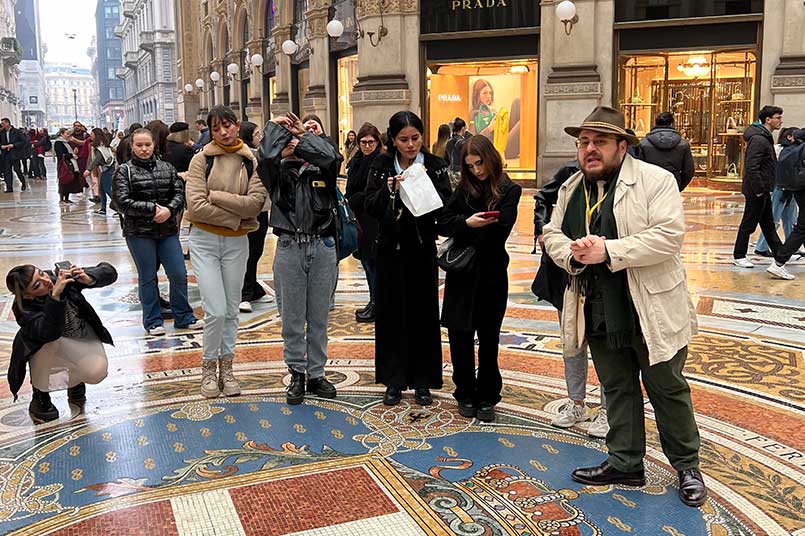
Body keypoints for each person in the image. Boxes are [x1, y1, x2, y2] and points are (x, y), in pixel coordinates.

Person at [543, 106, 706, 507]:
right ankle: (625, 461)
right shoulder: (571, 188)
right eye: (583, 142)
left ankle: (687, 466)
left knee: (667, 388)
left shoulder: (656, 181)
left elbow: (668, 236)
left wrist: (609, 251)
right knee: (616, 387)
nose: (589, 149)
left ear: (622, 146)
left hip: (650, 307)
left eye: (599, 142)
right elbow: (552, 233)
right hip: (599, 308)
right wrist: (574, 253)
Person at [365, 111, 452, 406]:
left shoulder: (435, 166)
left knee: (423, 314)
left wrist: (424, 188)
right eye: (404, 139)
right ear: (393, 139)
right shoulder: (381, 166)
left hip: (421, 249)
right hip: (390, 250)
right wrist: (389, 190)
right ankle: (394, 379)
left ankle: (422, 380)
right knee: (391, 313)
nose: (411, 145)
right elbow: (369, 204)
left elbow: (446, 206)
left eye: (415, 138)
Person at [258, 112, 340, 405]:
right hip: (289, 246)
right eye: (289, 139)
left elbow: (331, 156)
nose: (293, 143)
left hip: (322, 246)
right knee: (292, 319)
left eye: (297, 139)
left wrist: (302, 134)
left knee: (319, 317)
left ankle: (317, 373)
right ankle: (296, 372)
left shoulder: (323, 169)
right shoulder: (276, 172)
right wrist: (275, 128)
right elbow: (264, 156)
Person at [438, 135, 521, 422]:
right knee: (459, 335)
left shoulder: (509, 189)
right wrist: (468, 223)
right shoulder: (464, 188)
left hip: (491, 274)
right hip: (462, 274)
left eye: (479, 163)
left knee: (489, 337)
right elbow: (442, 223)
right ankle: (464, 392)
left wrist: (464, 227)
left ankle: (487, 394)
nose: (476, 170)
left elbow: (500, 231)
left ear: (491, 158)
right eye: (470, 165)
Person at [186, 106, 266, 398]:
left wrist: (216, 196)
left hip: (236, 243)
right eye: (216, 128)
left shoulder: (251, 160)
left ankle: (227, 368)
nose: (223, 132)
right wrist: (236, 217)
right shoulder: (201, 160)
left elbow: (255, 204)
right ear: (210, 131)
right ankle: (208, 367)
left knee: (232, 309)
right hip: (204, 240)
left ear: (237, 125)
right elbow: (196, 207)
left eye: (228, 125)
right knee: (216, 310)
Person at [532, 158, 609, 439]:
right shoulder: (570, 177)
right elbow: (542, 199)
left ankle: (608, 409)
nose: (590, 149)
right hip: (568, 273)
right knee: (572, 340)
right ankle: (576, 402)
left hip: (606, 275)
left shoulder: (625, 180)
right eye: (584, 142)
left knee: (607, 346)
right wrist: (543, 231)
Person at [113, 128, 202, 336]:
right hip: (139, 232)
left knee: (178, 273)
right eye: (139, 145)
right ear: (132, 147)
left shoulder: (167, 168)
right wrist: (152, 209)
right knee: (148, 277)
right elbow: (121, 201)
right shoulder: (124, 171)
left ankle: (183, 316)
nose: (144, 149)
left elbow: (178, 193)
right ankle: (153, 320)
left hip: (167, 230)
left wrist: (169, 210)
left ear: (154, 145)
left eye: (147, 145)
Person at [6, 261, 115, 422]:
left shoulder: (61, 277)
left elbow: (110, 272)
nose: (46, 281)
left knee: (96, 373)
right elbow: (48, 333)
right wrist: (55, 298)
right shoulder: (23, 307)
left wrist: (89, 278)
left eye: (41, 273)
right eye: (37, 285)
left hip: (80, 337)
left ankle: (75, 380)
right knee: (48, 343)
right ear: (28, 295)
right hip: (48, 346)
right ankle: (40, 396)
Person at [733, 105, 785, 268]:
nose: (780, 121)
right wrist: (759, 189)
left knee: (768, 224)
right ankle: (739, 255)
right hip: (756, 190)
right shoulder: (758, 139)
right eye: (778, 117)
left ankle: (781, 254)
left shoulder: (764, 137)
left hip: (763, 189)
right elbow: (752, 167)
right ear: (768, 120)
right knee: (749, 223)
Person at [345, 123, 383, 322]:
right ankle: (373, 300)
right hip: (359, 218)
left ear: (377, 142)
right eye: (363, 142)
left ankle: (377, 304)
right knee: (366, 263)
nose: (367, 146)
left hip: (373, 220)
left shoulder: (380, 163)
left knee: (373, 263)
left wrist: (356, 198)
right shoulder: (357, 161)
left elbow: (372, 192)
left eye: (371, 142)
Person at [238, 120, 273, 312]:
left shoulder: (259, 155)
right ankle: (245, 293)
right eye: (257, 134)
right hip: (249, 211)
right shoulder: (247, 157)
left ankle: (254, 289)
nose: (260, 137)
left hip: (262, 210)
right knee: (249, 253)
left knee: (256, 251)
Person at [755, 126, 800, 257]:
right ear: (789, 137)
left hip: (791, 187)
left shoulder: (794, 149)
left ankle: (792, 245)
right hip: (780, 187)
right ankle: (762, 247)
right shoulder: (779, 149)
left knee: (790, 219)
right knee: (774, 218)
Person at [767, 127, 805, 280]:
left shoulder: (797, 142)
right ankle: (779, 263)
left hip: (798, 187)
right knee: (802, 228)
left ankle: (779, 262)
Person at [636, 112, 695, 191]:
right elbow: (689, 170)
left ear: (655, 123)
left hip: (650, 184)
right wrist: (679, 186)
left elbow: (637, 168)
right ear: (672, 124)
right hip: (673, 183)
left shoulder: (643, 144)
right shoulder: (683, 144)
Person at [84, 128, 116, 215]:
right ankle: (103, 209)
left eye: (92, 134)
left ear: (96, 135)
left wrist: (88, 169)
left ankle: (118, 207)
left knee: (107, 189)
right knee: (101, 189)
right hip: (106, 169)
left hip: (107, 170)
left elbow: (97, 159)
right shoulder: (104, 145)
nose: (90, 135)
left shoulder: (99, 148)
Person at [54, 128, 82, 203]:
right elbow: (60, 155)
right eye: (66, 134)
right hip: (64, 165)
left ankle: (66, 198)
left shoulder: (66, 142)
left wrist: (73, 153)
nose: (68, 135)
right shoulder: (58, 142)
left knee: (69, 180)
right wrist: (71, 155)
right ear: (61, 134)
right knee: (64, 179)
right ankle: (61, 198)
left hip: (70, 163)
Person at [0, 118, 27, 192]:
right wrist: (2, 146)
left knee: (17, 169)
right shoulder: (2, 132)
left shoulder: (17, 132)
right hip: (6, 154)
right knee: (7, 171)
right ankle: (9, 188)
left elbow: (23, 141)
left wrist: (14, 145)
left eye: (3, 123)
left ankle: (23, 182)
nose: (2, 125)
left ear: (8, 123)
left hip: (15, 154)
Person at [445, 117, 470, 188]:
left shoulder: (448, 142)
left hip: (450, 172)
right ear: (463, 128)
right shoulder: (463, 143)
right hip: (461, 172)